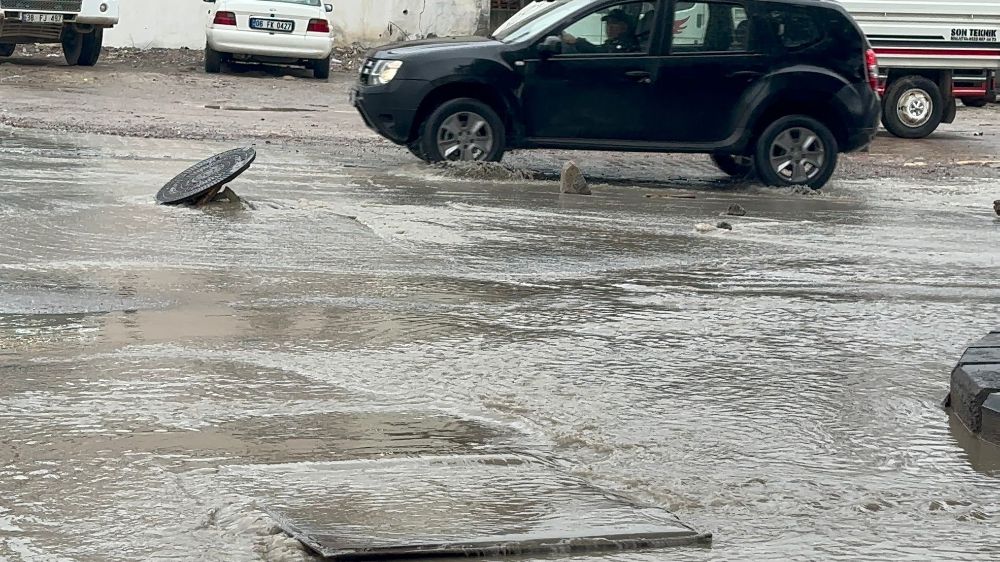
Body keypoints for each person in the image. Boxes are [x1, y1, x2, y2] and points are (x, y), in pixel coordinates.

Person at [562, 9, 640, 54]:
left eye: (614, 23)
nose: (609, 27)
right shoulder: (613, 42)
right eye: (608, 23)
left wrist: (577, 42)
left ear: (624, 26)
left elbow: (601, 52)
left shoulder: (626, 44)